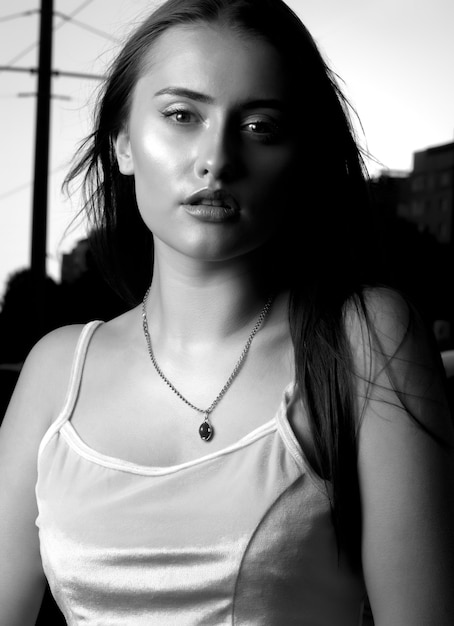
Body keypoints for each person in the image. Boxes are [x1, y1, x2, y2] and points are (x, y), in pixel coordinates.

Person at [1, 0, 453, 623]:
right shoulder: (56, 369)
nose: (217, 159)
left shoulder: (366, 340)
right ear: (124, 144)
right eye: (182, 115)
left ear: (303, 161)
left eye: (260, 126)